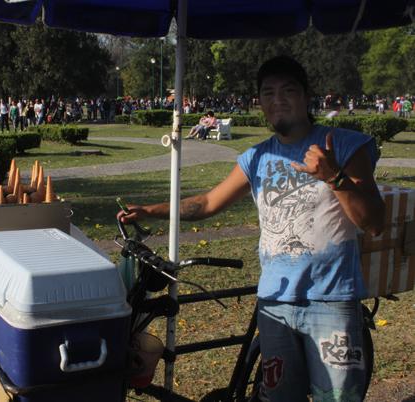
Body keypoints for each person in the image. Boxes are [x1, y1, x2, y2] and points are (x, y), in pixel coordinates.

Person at [118, 55, 385, 402]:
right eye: (268, 93)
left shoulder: (346, 145)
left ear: (306, 97)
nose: (278, 100)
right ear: (259, 103)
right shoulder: (256, 157)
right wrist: (152, 210)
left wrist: (333, 176)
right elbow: (209, 203)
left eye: (288, 91)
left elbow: (374, 222)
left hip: (331, 302)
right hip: (274, 304)